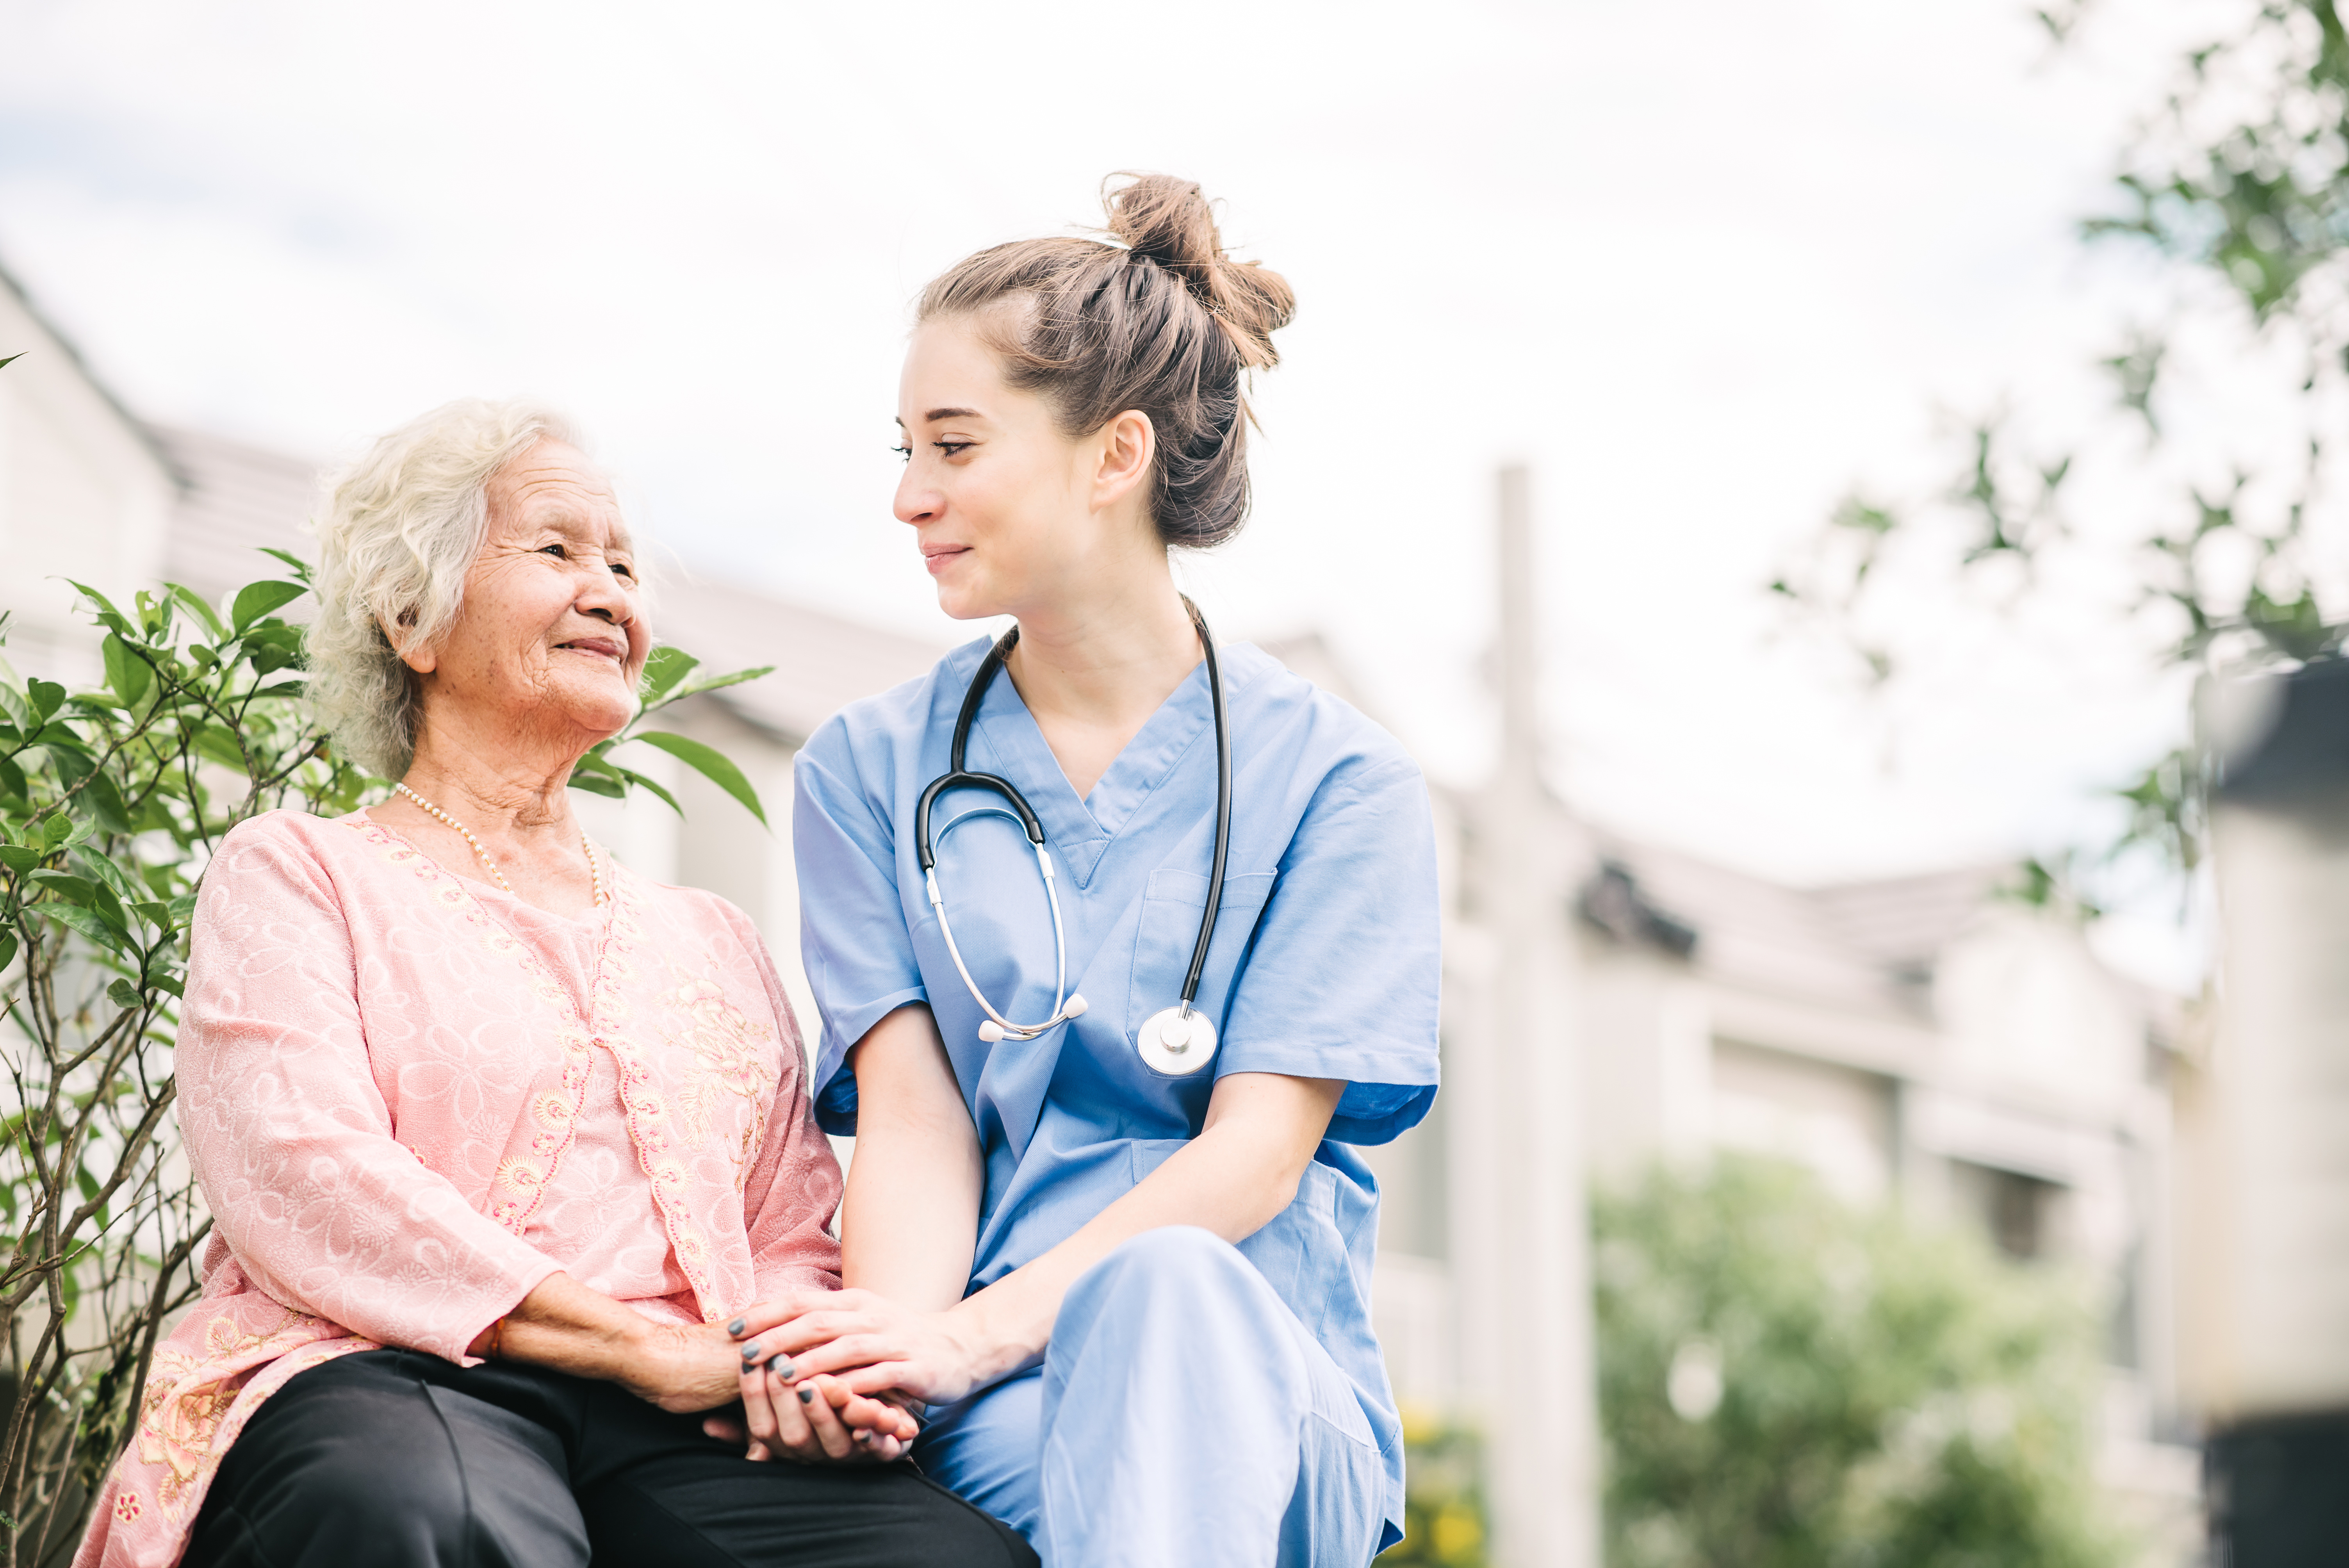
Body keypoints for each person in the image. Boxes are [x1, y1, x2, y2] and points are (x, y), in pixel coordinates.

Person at [75, 400, 1035, 1568]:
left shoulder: (712, 935)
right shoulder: (301, 872)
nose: (614, 593)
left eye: (625, 564)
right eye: (559, 551)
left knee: (946, 1562)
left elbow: (787, 1228)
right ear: (414, 620)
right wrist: (640, 1349)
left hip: (685, 1409)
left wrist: (798, 1370)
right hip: (386, 1368)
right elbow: (303, 1169)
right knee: (446, 1525)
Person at [726, 176, 1441, 1566]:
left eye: (954, 446)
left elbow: (1254, 1156)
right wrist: (901, 1355)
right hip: (1002, 1397)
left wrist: (960, 1339)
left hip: (1268, 1388)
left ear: (1114, 458)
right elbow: (917, 1122)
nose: (907, 495)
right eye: (904, 448)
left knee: (1171, 1292)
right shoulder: (867, 771)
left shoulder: (1345, 788)